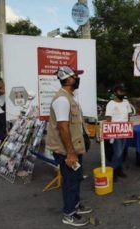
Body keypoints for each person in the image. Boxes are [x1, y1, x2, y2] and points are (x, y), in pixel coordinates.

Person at [46, 66, 92, 227]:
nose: (77, 79)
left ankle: (75, 205)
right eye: (75, 76)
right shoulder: (62, 100)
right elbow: (63, 128)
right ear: (69, 79)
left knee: (77, 177)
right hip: (66, 150)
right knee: (70, 181)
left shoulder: (69, 97)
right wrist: (70, 154)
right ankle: (69, 214)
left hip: (74, 148)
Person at [105, 83, 132, 181]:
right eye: (120, 91)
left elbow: (128, 115)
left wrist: (129, 127)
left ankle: (119, 169)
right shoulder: (111, 104)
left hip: (125, 131)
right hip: (115, 131)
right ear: (116, 92)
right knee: (118, 152)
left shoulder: (126, 102)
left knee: (122, 151)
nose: (122, 93)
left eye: (123, 91)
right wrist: (108, 133)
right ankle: (114, 171)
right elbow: (108, 119)